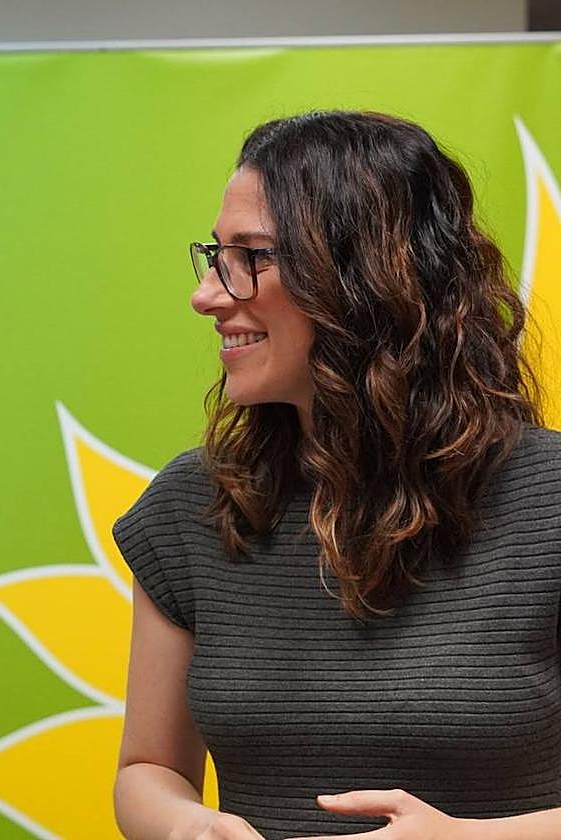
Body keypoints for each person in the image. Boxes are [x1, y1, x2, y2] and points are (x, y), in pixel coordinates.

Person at [113, 110, 561, 839]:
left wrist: (468, 839)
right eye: (214, 255)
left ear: (365, 277)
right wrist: (185, 827)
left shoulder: (550, 499)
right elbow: (147, 770)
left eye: (249, 257)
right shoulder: (191, 507)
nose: (208, 295)